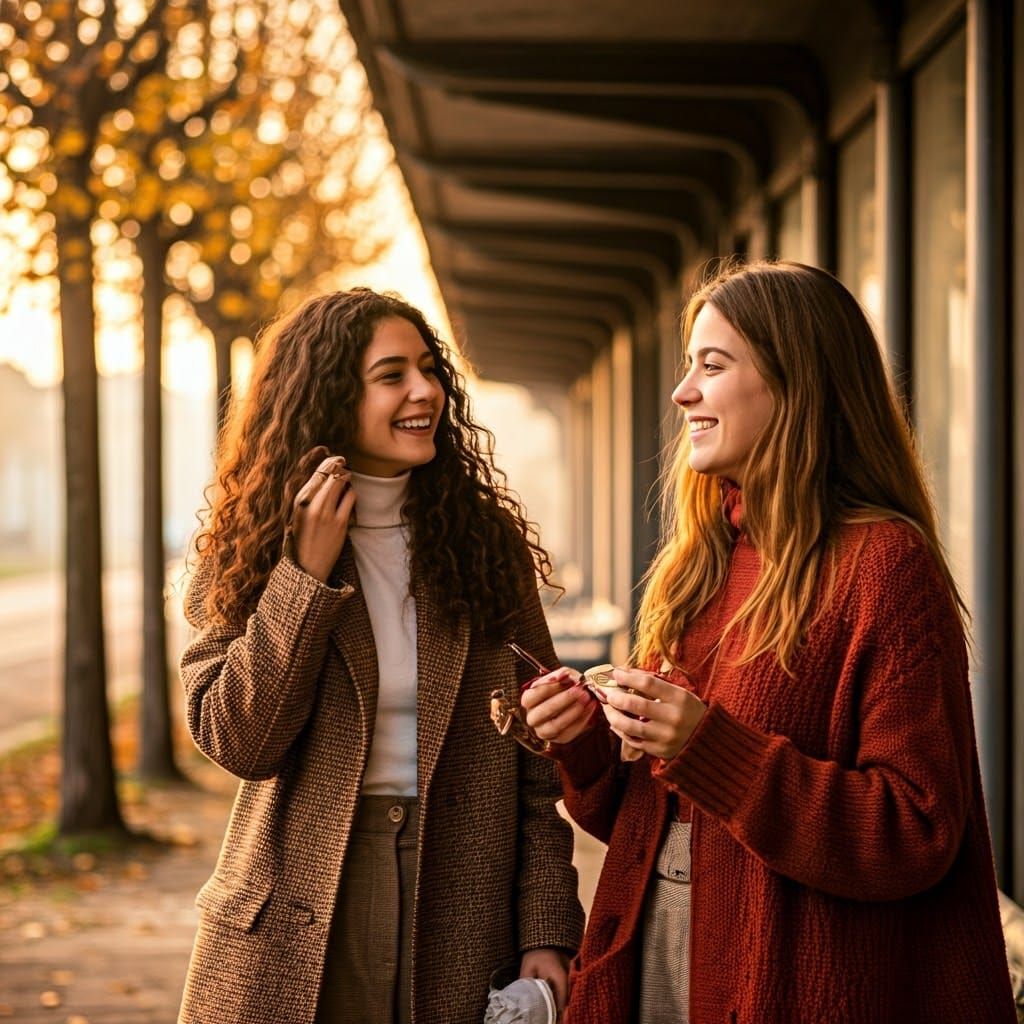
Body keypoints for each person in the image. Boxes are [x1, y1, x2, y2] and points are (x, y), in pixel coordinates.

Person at [522, 260, 1016, 1023]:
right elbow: (651, 821)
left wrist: (707, 745)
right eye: (688, 367)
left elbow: (917, 829)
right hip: (656, 962)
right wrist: (588, 742)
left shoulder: (883, 566)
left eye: (711, 367)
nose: (683, 392)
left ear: (796, 383)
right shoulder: (700, 565)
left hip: (785, 983)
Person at [177, 288, 583, 1024]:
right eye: (392, 375)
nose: (425, 390)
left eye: (429, 370)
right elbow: (240, 740)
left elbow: (536, 763)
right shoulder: (251, 545)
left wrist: (548, 927)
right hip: (297, 899)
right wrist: (304, 574)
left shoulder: (482, 546)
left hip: (463, 889)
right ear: (330, 395)